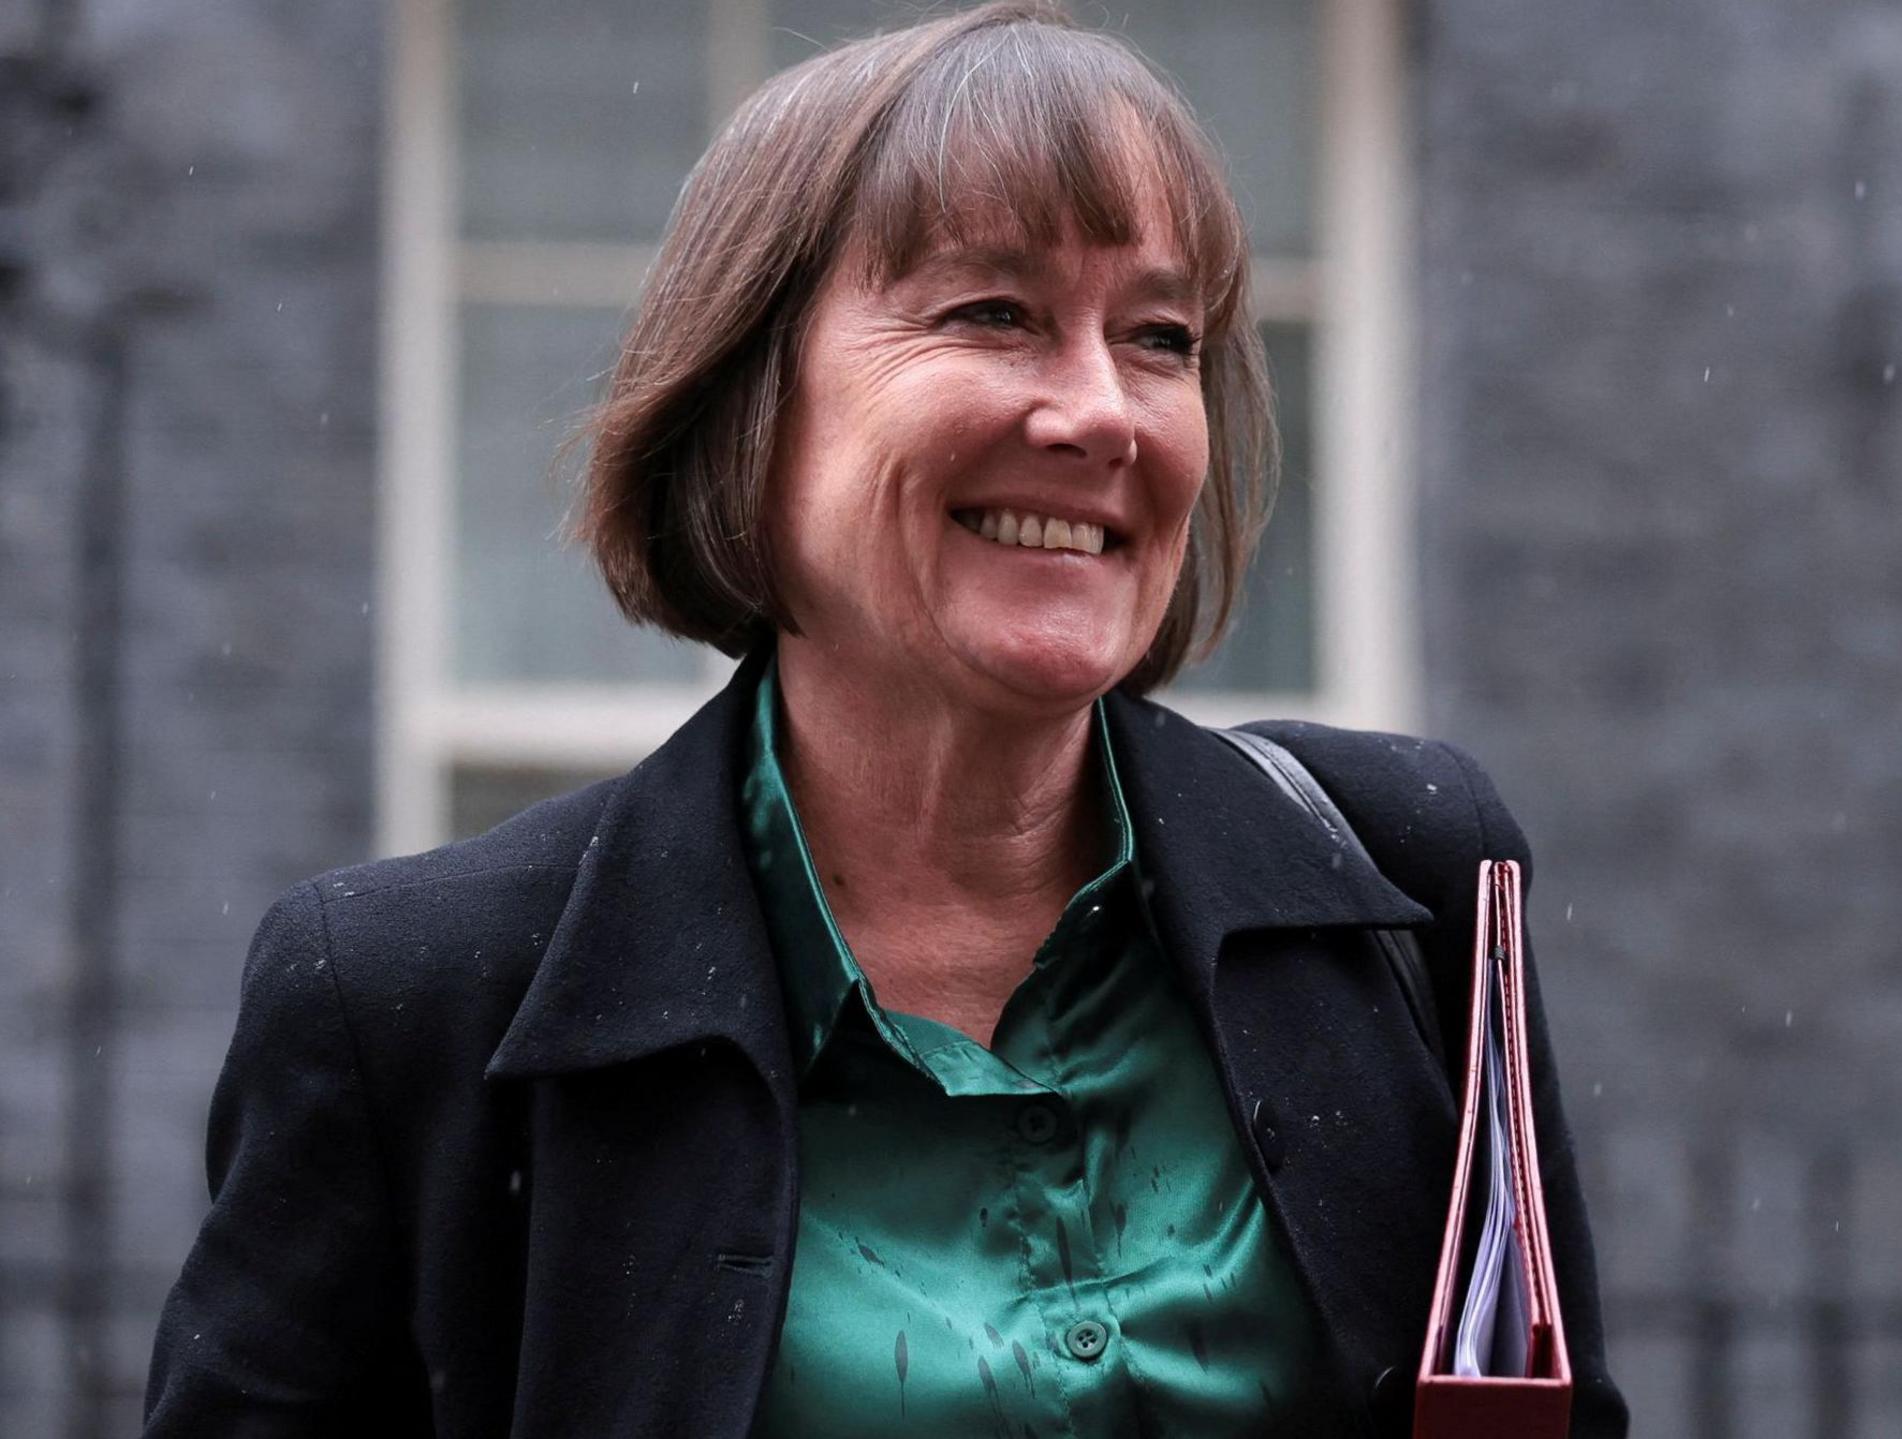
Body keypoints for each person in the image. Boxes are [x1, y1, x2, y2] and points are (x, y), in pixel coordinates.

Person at [144, 4, 1625, 1434]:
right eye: (995, 314)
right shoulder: (405, 1000)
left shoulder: (1412, 888)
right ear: (748, 400)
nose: (1104, 411)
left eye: (1161, 336)